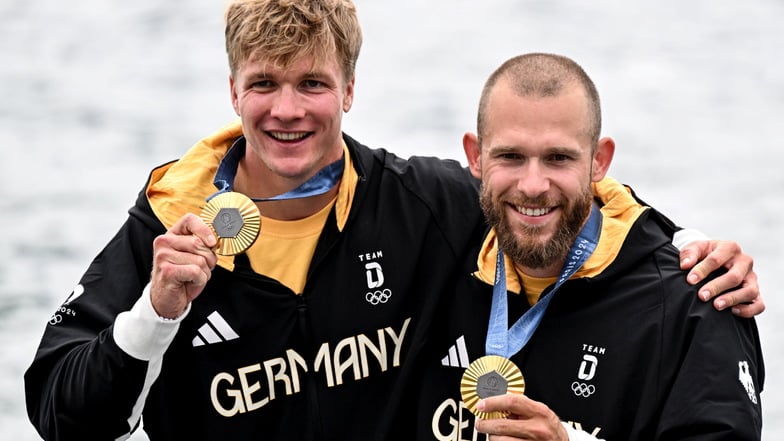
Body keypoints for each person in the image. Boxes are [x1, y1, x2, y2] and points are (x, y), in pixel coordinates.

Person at [24, 1, 762, 440]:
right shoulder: (170, 222)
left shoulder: (421, 204)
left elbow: (540, 197)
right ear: (232, 89)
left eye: (313, 82)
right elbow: (63, 418)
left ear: (350, 87)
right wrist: (153, 314)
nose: (288, 109)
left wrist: (688, 247)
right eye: (265, 84)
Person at [424, 53, 763, 440]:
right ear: (475, 156)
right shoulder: (430, 245)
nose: (533, 185)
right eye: (511, 156)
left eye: (558, 158)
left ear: (599, 161)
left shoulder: (698, 303)